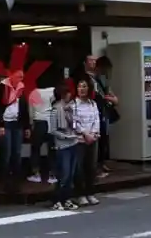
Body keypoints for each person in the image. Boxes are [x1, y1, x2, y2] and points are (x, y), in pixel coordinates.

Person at [0, 68, 30, 193]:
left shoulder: (21, 88)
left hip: (17, 124)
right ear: (12, 76)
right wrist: (0, 125)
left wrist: (27, 127)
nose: (21, 79)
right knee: (7, 153)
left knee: (17, 153)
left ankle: (16, 181)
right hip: (6, 123)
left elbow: (24, 108)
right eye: (18, 76)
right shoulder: (2, 88)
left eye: (22, 77)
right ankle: (5, 181)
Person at [48, 79, 81, 210]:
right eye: (67, 93)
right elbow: (52, 130)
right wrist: (65, 136)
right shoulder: (55, 109)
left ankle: (67, 199)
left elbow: (75, 123)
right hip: (62, 145)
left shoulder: (70, 108)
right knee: (64, 174)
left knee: (71, 175)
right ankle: (57, 200)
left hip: (73, 142)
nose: (69, 96)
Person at [71, 76, 101, 206]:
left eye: (84, 86)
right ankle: (80, 195)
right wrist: (85, 133)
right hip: (79, 140)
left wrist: (93, 133)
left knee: (91, 167)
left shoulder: (93, 104)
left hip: (92, 139)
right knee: (79, 168)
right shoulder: (73, 104)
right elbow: (73, 122)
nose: (81, 89)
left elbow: (96, 119)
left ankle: (90, 193)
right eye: (79, 86)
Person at [27, 85, 56, 184]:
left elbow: (31, 112)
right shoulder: (53, 91)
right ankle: (52, 175)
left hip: (39, 122)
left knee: (35, 149)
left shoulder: (34, 93)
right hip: (51, 122)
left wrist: (31, 124)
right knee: (52, 149)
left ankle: (36, 174)